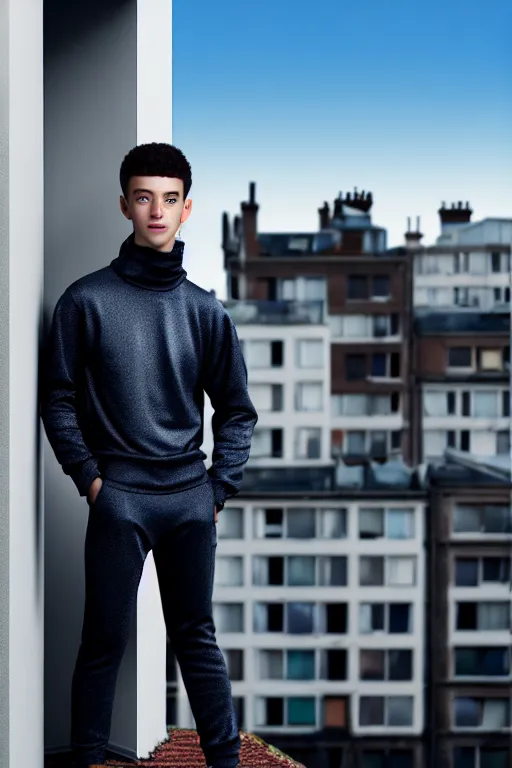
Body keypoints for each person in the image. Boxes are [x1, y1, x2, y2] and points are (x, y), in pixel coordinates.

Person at [40, 142, 258, 768]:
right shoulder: (84, 302)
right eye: (143, 198)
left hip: (190, 496)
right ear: (125, 206)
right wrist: (90, 479)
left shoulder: (206, 312)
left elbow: (237, 410)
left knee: (197, 638)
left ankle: (225, 762)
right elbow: (57, 397)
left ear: (187, 209)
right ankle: (84, 759)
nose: (156, 212)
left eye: (169, 200)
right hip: (121, 497)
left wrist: (220, 488)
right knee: (103, 640)